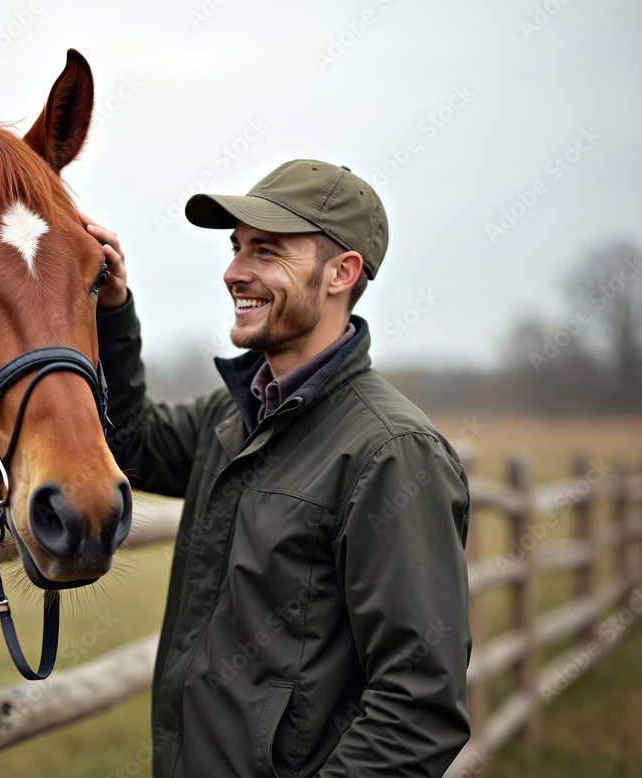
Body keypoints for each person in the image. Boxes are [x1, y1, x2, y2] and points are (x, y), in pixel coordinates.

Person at [80, 159, 472, 777]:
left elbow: (417, 707)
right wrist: (112, 311)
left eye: (266, 251)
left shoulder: (391, 452)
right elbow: (129, 440)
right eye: (236, 249)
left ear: (342, 272)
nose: (235, 272)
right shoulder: (231, 416)